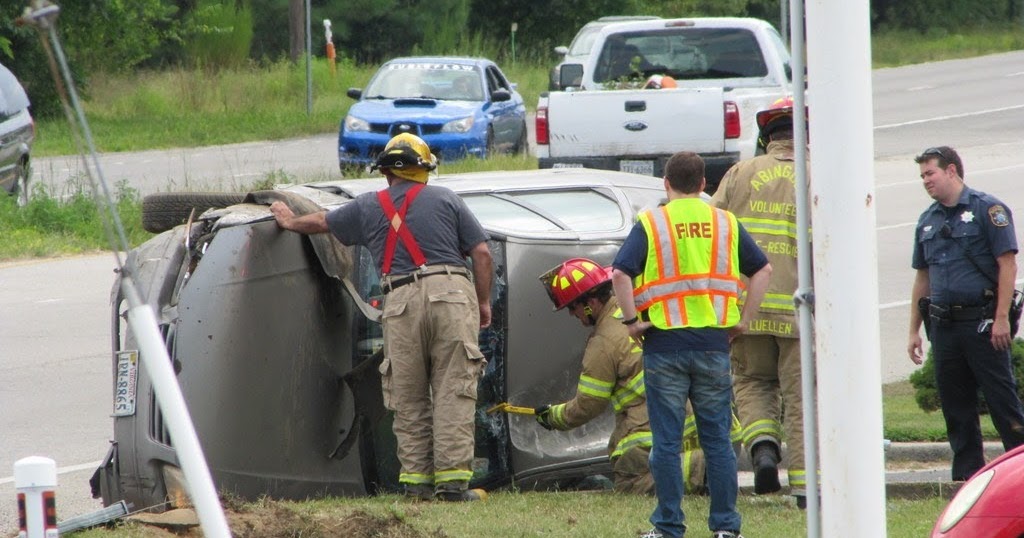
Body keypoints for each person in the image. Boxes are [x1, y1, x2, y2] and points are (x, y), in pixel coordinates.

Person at [269, 133, 494, 502]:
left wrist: (290, 222)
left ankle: (417, 484)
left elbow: (323, 222)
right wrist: (483, 302)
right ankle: (452, 487)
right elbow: (481, 254)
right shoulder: (446, 199)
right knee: (454, 388)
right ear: (424, 170)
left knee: (408, 394)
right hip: (451, 295)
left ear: (387, 172)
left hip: (400, 300)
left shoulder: (368, 206)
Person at [611, 151, 772, 538]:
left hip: (663, 345)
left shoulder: (652, 222)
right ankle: (725, 528)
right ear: (704, 185)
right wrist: (744, 320)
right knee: (717, 440)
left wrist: (633, 322)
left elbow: (619, 272)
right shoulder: (725, 222)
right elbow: (762, 269)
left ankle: (668, 527)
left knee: (665, 443)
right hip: (714, 344)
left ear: (666, 182)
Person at [710, 96, 816, 509]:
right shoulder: (816, 176)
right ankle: (807, 490)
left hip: (745, 308)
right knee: (801, 397)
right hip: (799, 310)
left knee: (752, 383)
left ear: (767, 137)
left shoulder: (739, 173)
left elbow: (714, 229)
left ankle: (764, 451)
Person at [907, 145, 1024, 481]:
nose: (926, 181)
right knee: (956, 409)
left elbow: (1007, 264)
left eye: (930, 173)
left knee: (1003, 404)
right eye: (922, 176)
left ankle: (1019, 471)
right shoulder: (927, 221)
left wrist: (1001, 317)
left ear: (952, 171)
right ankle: (966, 481)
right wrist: (913, 330)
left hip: (983, 322)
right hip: (944, 326)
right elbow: (922, 277)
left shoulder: (988, 210)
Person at [533, 258, 655, 494]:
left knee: (630, 488)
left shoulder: (603, 341)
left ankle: (689, 476)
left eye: (572, 307)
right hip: (687, 426)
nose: (571, 314)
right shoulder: (632, 308)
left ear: (589, 304)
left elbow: (590, 404)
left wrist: (553, 416)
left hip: (648, 438)